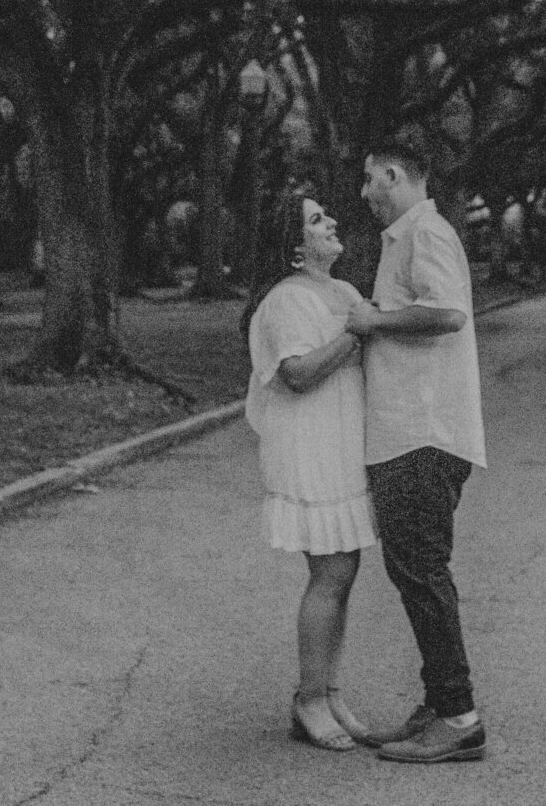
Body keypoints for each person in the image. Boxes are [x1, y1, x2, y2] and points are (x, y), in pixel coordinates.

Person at [347, 129, 488, 764]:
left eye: (371, 179)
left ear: (398, 176)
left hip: (423, 434)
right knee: (412, 570)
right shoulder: (404, 239)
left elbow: (449, 312)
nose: (363, 192)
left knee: (421, 570)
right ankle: (439, 702)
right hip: (407, 434)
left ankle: (458, 717)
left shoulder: (426, 235)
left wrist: (374, 319)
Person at [244, 188, 376, 753]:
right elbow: (297, 373)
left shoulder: (343, 290)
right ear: (295, 250)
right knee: (330, 574)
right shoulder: (287, 299)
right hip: (310, 446)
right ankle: (308, 700)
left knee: (343, 573)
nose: (331, 222)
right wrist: (356, 332)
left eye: (325, 215)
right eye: (317, 220)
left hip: (344, 440)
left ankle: (329, 690)